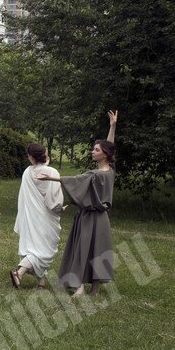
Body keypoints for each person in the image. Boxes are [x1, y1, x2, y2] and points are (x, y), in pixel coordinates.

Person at [37, 110, 118, 296]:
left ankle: (87, 287)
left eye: (96, 149)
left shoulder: (98, 173)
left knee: (93, 250)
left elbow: (74, 180)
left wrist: (52, 179)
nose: (93, 151)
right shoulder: (109, 170)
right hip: (97, 217)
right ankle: (84, 286)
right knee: (90, 249)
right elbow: (110, 146)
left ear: (105, 154)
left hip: (91, 216)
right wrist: (112, 126)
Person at [11, 143, 64, 289]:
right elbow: (54, 200)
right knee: (44, 250)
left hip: (31, 216)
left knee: (35, 247)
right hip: (47, 216)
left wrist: (43, 164)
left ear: (30, 157)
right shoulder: (52, 172)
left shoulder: (27, 172)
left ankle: (41, 281)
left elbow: (37, 171)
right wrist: (60, 208)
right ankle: (19, 272)